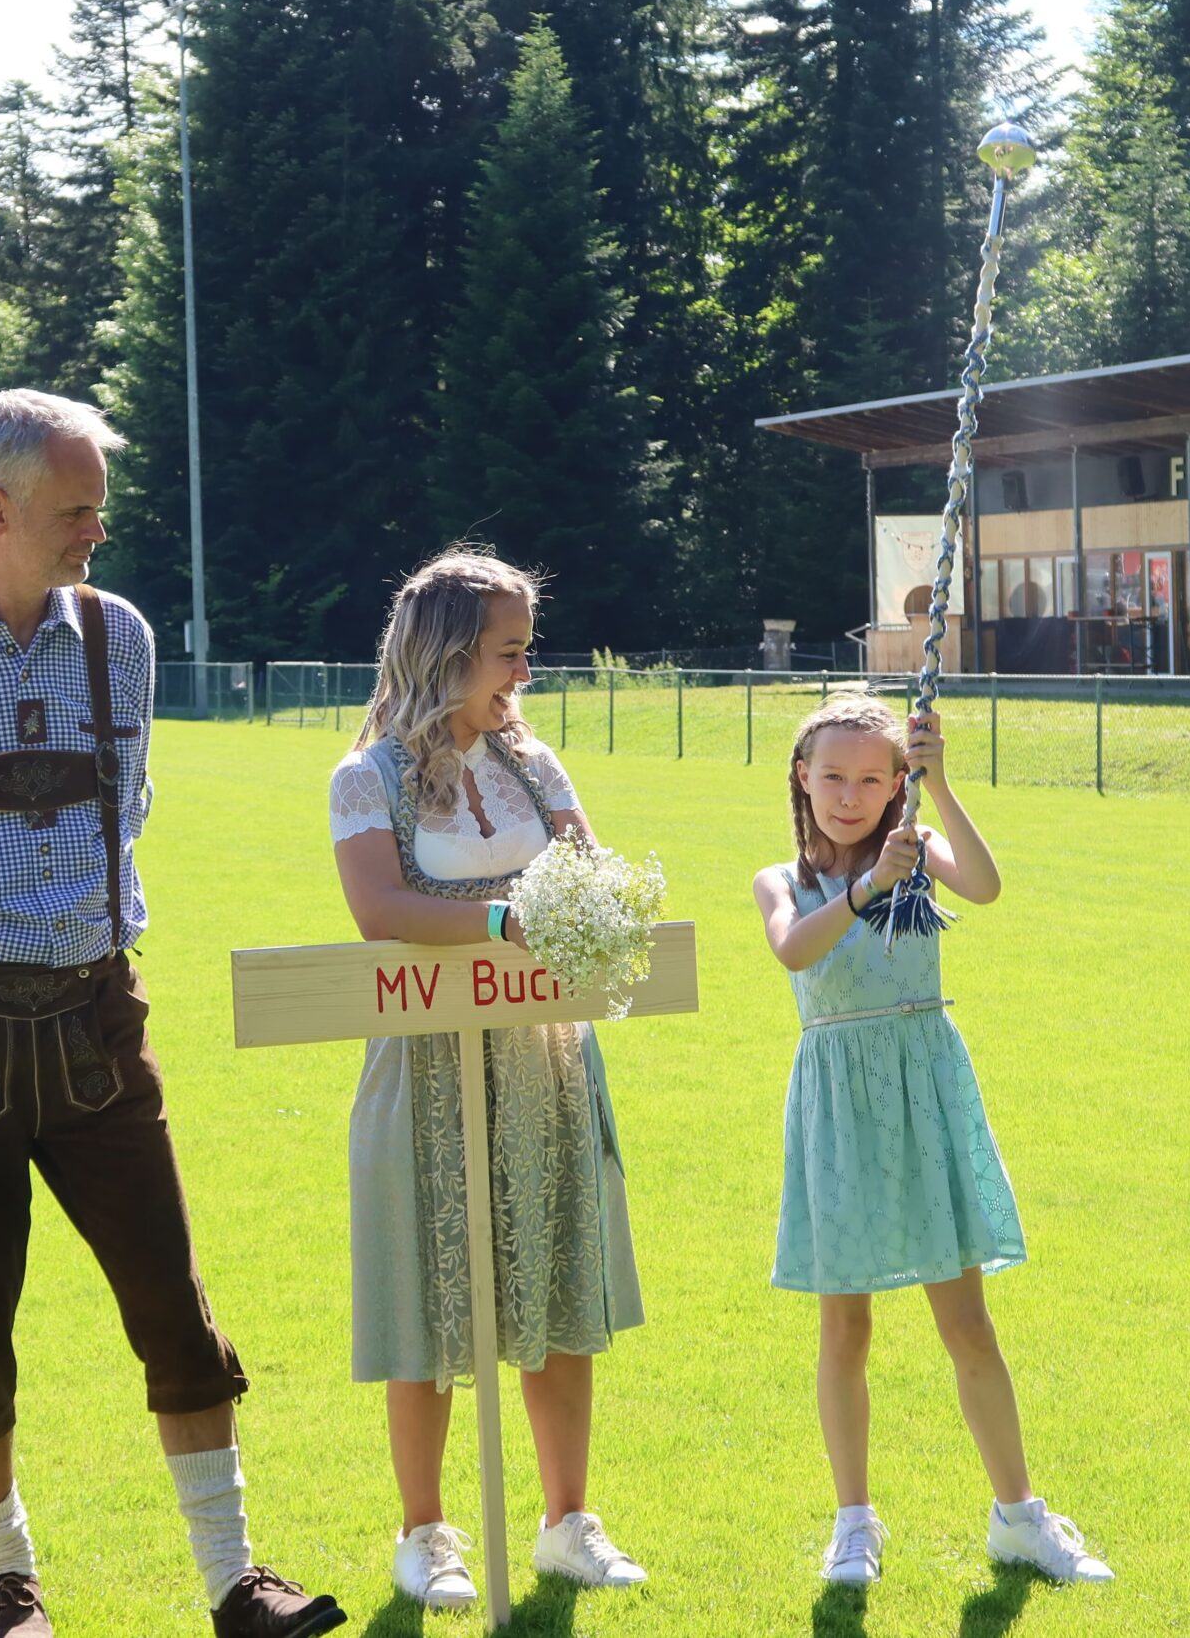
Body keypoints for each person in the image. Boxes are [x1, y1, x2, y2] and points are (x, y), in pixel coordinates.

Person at [0, 388, 340, 1638]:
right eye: (76, 510)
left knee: (173, 1303)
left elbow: (126, 809)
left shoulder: (122, 638)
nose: (98, 530)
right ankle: (9, 1590)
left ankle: (234, 1583)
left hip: (100, 1018)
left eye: (99, 506)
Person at [328, 551, 649, 1611]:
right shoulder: (365, 775)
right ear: (448, 652)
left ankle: (568, 1523)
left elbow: (591, 873)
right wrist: (506, 919)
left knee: (555, 1283)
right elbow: (379, 909)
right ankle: (424, 1534)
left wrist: (592, 906)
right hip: (422, 1059)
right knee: (427, 1290)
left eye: (523, 647)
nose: (524, 668)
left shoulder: (535, 764)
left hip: (541, 1053)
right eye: (508, 649)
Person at [751, 696, 1112, 1588]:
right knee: (846, 1327)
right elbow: (794, 950)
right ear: (802, 778)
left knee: (967, 1322)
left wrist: (940, 785)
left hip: (926, 1092)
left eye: (872, 778)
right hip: (839, 1107)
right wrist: (866, 888)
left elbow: (985, 885)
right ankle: (853, 1524)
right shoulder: (780, 879)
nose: (850, 795)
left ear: (895, 783)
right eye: (833, 776)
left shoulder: (918, 853)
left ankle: (1020, 1517)